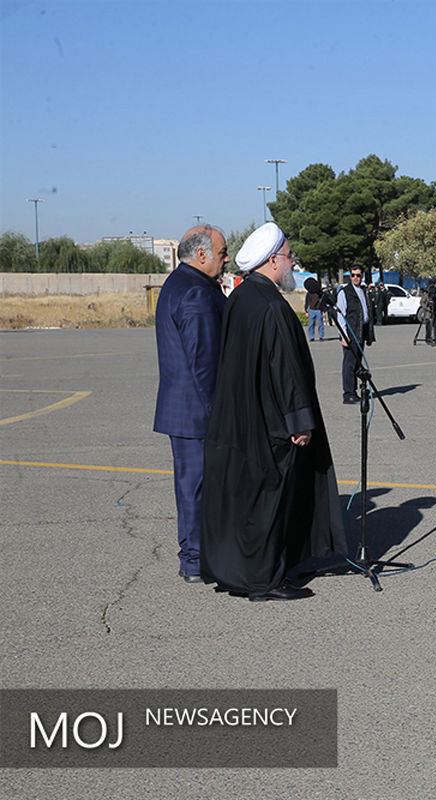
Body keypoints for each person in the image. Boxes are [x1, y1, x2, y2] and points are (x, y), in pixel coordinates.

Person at [200, 222, 342, 602]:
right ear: (274, 260)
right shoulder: (272, 306)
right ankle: (265, 580)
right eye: (290, 258)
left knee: (251, 500)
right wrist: (299, 422)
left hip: (244, 418)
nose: (293, 265)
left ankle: (246, 571)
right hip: (273, 423)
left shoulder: (241, 299)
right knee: (270, 500)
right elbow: (286, 370)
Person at [153, 224, 228, 583]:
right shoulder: (196, 292)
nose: (226, 259)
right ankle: (196, 559)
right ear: (202, 255)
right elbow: (205, 363)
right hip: (197, 414)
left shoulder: (178, 283)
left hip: (185, 411)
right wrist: (220, 415)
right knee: (196, 488)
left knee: (191, 487)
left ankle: (196, 556)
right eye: (223, 252)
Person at [336, 267, 375, 404]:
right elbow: (341, 315)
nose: (356, 278)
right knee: (350, 364)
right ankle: (348, 393)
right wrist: (343, 335)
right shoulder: (345, 292)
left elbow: (367, 313)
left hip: (361, 332)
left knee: (357, 362)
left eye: (358, 275)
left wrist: (369, 336)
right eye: (353, 275)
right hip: (351, 333)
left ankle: (356, 390)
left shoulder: (364, 291)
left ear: (362, 276)